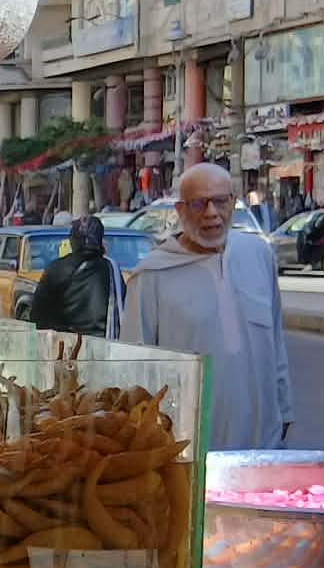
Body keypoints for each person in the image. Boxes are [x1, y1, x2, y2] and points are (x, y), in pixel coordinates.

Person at [124, 163, 292, 451]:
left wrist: (285, 409)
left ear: (234, 202)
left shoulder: (258, 255)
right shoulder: (152, 275)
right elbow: (134, 367)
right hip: (186, 442)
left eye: (220, 201)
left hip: (263, 437)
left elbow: (275, 340)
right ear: (180, 209)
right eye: (199, 203)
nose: (211, 213)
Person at [26, 215, 123, 338]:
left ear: (73, 241)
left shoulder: (57, 269)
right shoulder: (112, 269)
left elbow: (37, 316)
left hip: (69, 348)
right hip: (107, 346)